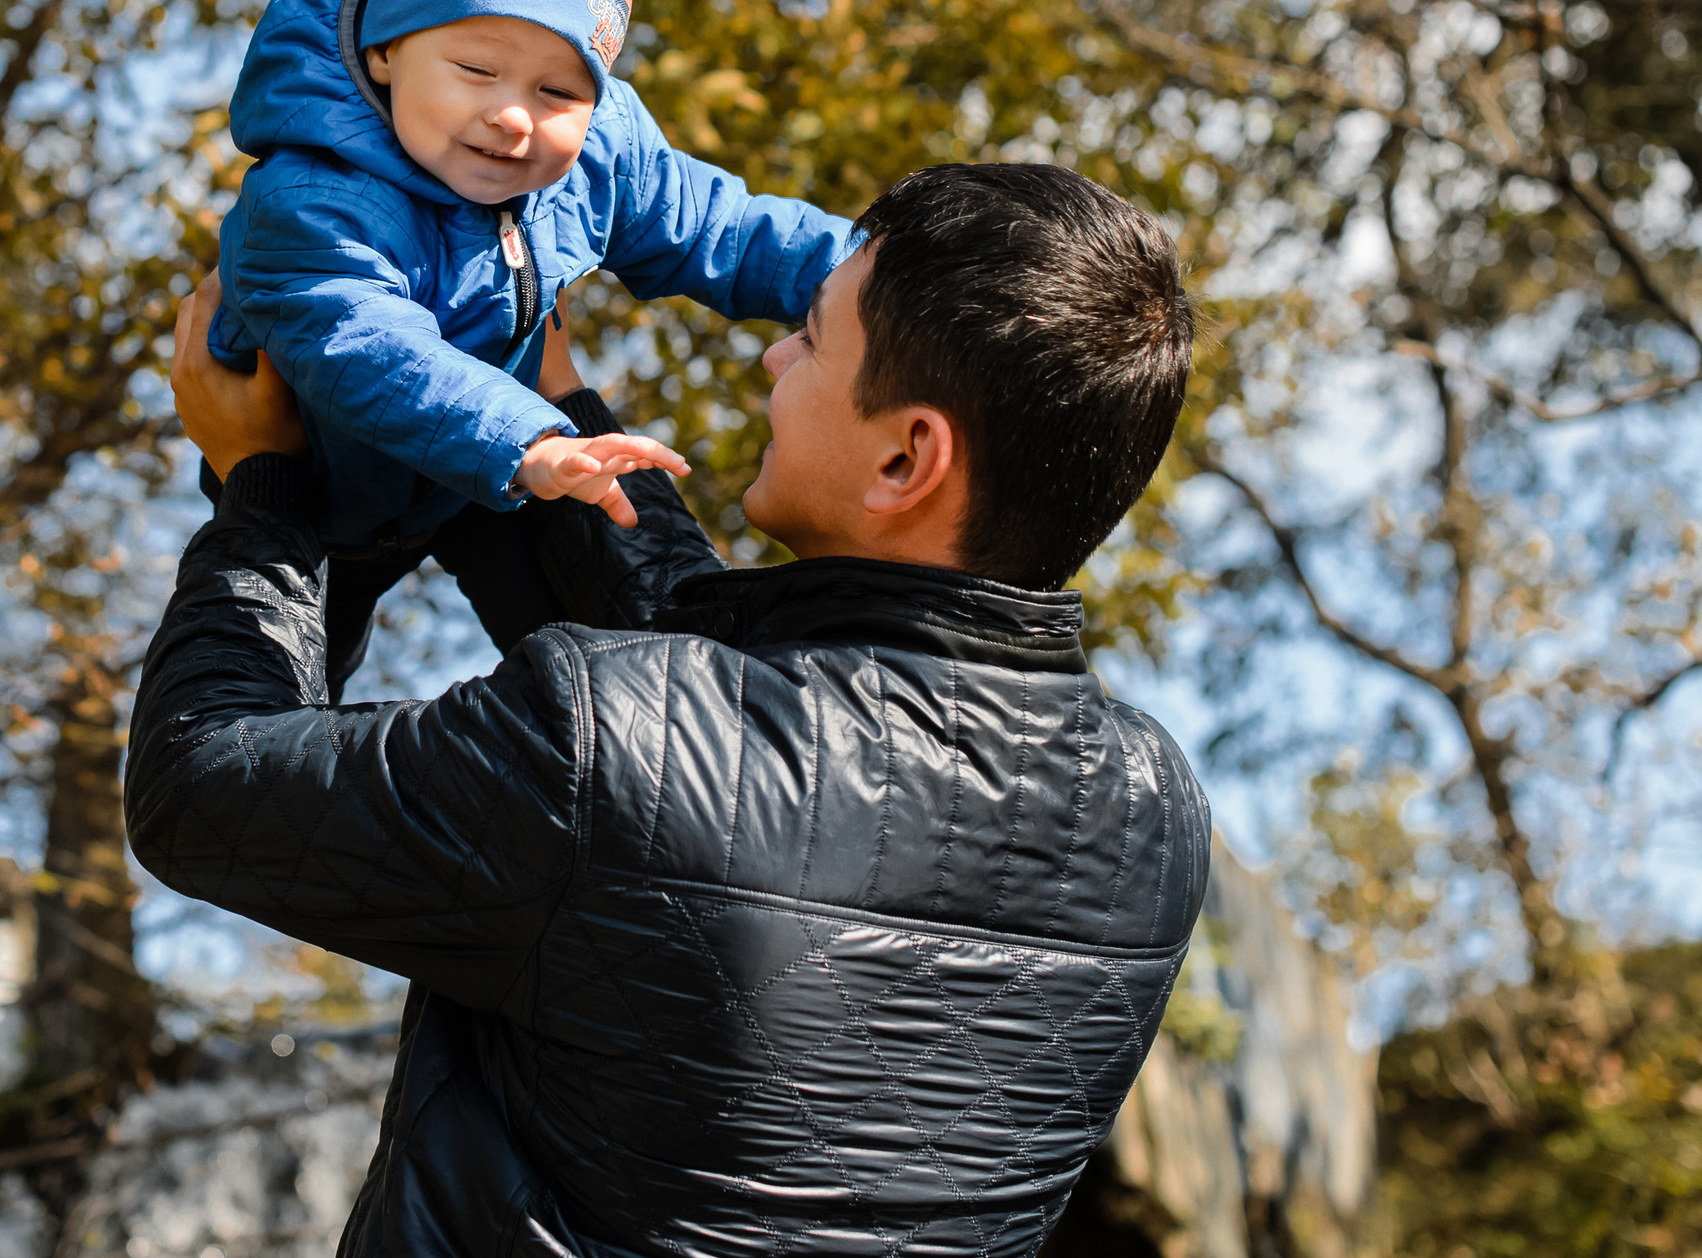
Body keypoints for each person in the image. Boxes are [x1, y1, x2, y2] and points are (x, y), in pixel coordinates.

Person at [130, 161, 1214, 1256]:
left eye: (815, 339)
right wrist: (551, 424)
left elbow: (198, 778)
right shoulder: (1148, 816)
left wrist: (261, 493)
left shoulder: (607, 748)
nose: (772, 353)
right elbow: (746, 746)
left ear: (905, 456)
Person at [204, 0, 859, 692]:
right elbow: (369, 351)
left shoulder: (594, 153)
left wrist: (872, 269)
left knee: (601, 676)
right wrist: (525, 442)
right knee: (290, 698)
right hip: (330, 507)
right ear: (391, 47)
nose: (514, 117)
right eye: (476, 70)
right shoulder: (315, 195)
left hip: (491, 483)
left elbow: (718, 226)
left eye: (558, 89)